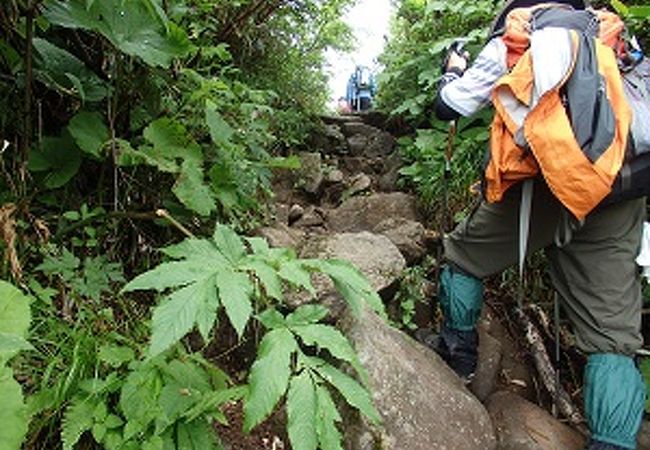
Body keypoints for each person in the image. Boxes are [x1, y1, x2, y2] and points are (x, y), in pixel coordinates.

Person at [426, 1, 646, 449]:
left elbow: (449, 107)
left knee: (463, 256)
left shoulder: (519, 34)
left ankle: (460, 357)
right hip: (622, 186)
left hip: (549, 184)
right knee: (612, 336)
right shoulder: (614, 36)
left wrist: (451, 72)